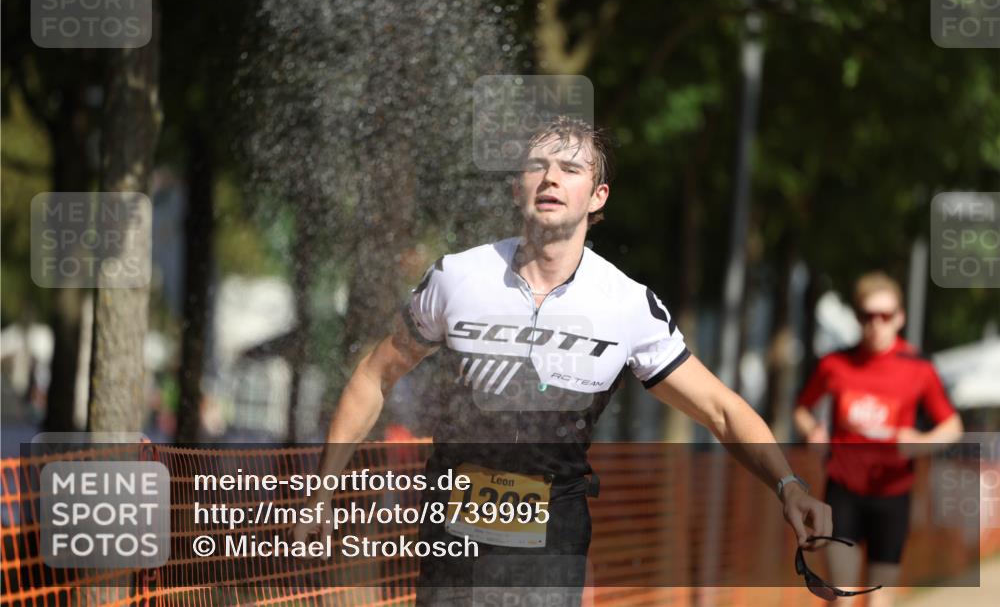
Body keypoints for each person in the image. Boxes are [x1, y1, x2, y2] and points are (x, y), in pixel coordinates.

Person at [295, 116, 832, 605]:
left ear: (597, 197)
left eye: (570, 169)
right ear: (517, 187)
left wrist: (789, 485)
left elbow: (721, 409)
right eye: (538, 166)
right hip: (452, 538)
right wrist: (321, 489)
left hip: (553, 541)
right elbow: (374, 375)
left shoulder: (627, 305)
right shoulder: (456, 277)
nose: (551, 178)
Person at [793, 271, 963, 607]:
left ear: (900, 318)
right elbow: (802, 408)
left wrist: (921, 442)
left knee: (879, 601)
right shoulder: (835, 364)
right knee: (840, 596)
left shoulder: (919, 368)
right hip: (843, 490)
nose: (876, 324)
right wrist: (812, 429)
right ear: (857, 317)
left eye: (885, 316)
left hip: (893, 495)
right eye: (868, 316)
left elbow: (953, 426)